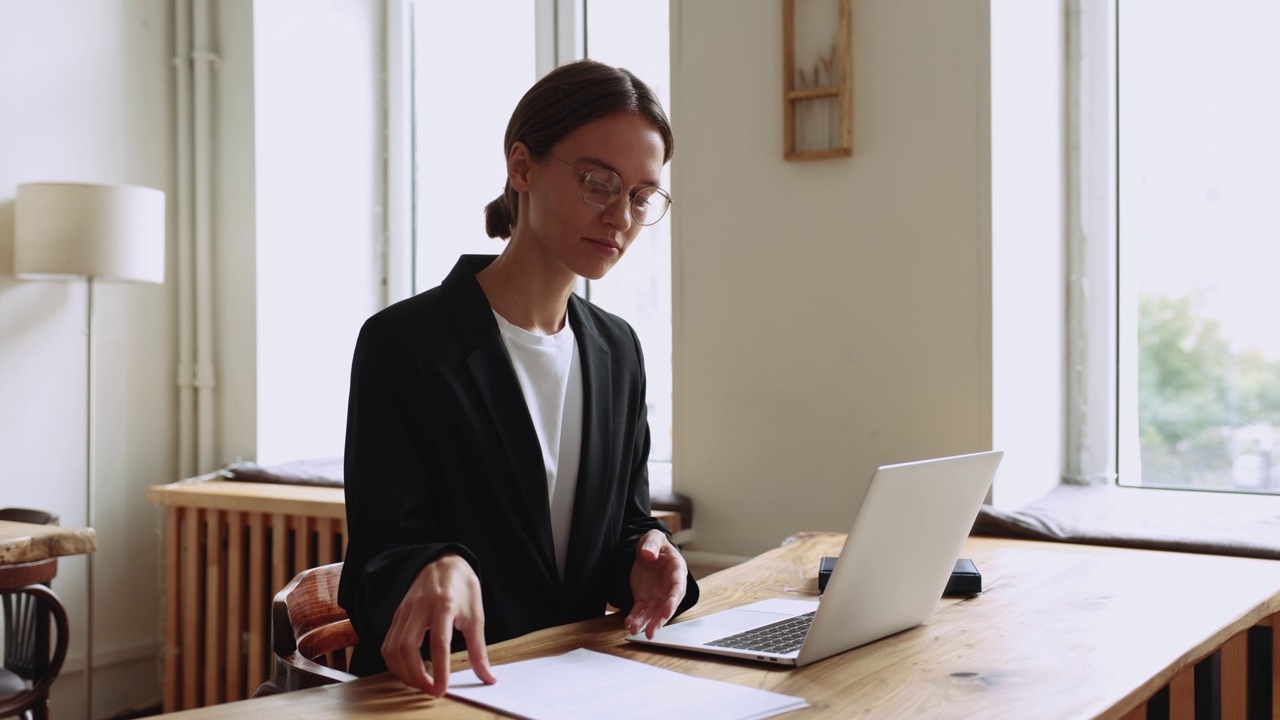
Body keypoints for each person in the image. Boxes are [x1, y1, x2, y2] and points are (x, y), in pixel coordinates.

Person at [338, 58, 700, 697]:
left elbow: (622, 528)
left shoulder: (618, 350)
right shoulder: (404, 344)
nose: (621, 216)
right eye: (598, 181)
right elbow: (376, 568)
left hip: (582, 686)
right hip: (447, 693)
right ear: (522, 167)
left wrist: (650, 557)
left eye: (642, 196)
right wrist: (433, 565)